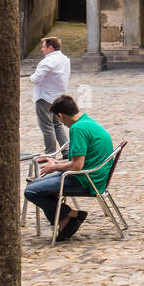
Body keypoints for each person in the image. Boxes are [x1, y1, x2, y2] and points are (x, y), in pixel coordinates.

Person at [23, 95, 114, 242]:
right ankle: (65, 220)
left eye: (58, 119)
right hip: (93, 175)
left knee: (31, 191)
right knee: (37, 185)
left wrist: (54, 167)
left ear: (61, 115)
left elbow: (77, 165)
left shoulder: (77, 128)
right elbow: (79, 158)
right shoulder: (87, 121)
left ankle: (70, 214)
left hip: (85, 180)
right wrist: (56, 164)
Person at [29, 36, 71, 153]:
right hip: (59, 97)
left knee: (47, 126)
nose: (42, 49)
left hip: (45, 97)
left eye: (43, 47)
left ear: (50, 47)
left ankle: (50, 153)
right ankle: (66, 150)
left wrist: (30, 77)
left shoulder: (47, 61)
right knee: (57, 124)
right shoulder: (65, 59)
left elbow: (36, 79)